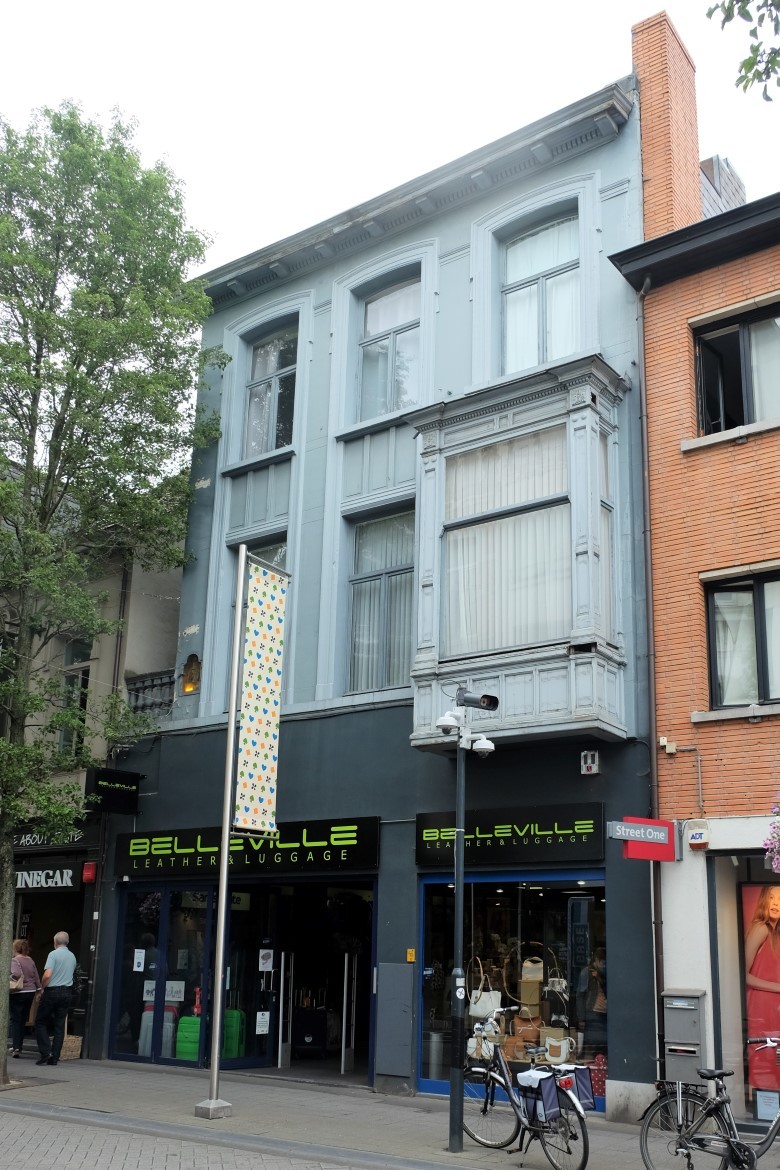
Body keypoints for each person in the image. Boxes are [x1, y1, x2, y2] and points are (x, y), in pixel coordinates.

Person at [746, 886, 780, 1090]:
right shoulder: (761, 928)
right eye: (772, 897)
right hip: (761, 1007)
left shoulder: (775, 934)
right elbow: (743, 974)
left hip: (772, 1009)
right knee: (764, 1058)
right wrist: (777, 987)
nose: (775, 902)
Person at [35, 930, 77, 1066]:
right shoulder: (72, 956)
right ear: (67, 942)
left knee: (40, 1022)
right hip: (66, 993)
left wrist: (42, 988)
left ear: (55, 942)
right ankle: (55, 1057)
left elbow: (47, 975)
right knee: (59, 1025)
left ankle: (46, 1052)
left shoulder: (53, 954)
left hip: (52, 992)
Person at [8, 938, 42, 1056]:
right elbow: (36, 976)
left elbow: (16, 974)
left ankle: (16, 1048)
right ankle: (19, 1045)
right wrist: (39, 989)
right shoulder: (30, 960)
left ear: (15, 949)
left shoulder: (14, 960)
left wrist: (9, 978)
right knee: (22, 1019)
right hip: (30, 992)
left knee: (15, 1020)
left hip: (18, 992)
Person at [575, 946, 607, 1059]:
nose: (604, 966)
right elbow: (580, 996)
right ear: (597, 960)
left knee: (603, 1046)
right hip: (593, 1013)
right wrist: (581, 1018)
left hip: (604, 1013)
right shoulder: (587, 973)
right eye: (603, 963)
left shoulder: (604, 974)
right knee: (594, 1045)